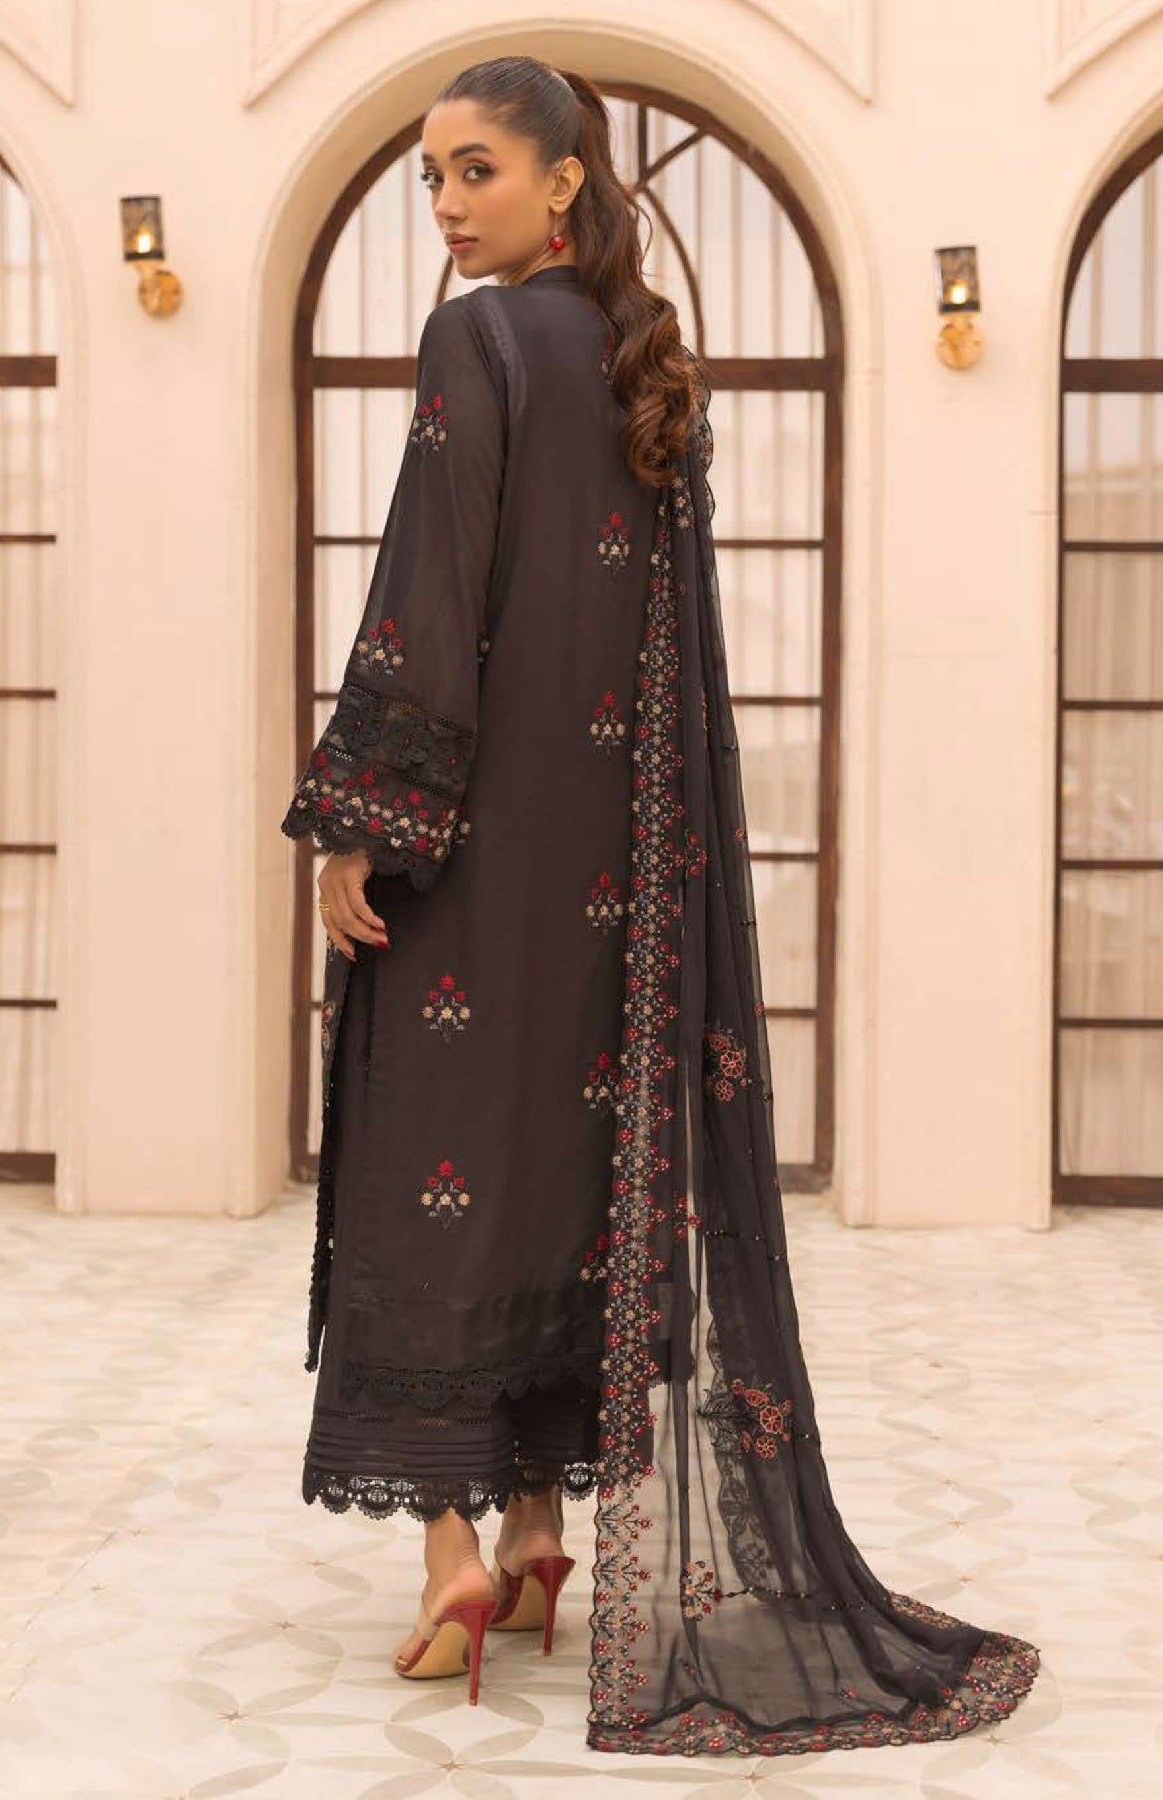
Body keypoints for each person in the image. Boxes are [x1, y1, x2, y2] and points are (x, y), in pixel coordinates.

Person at [281, 55, 1042, 1752]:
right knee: (560, 1179)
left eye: (476, 170)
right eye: (430, 176)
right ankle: (542, 1535)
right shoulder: (643, 365)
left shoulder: (477, 343)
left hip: (467, 861)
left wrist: (360, 826)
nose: (446, 203)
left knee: (427, 1172)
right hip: (609, 889)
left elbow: (429, 598)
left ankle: (455, 1560)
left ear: (563, 181)